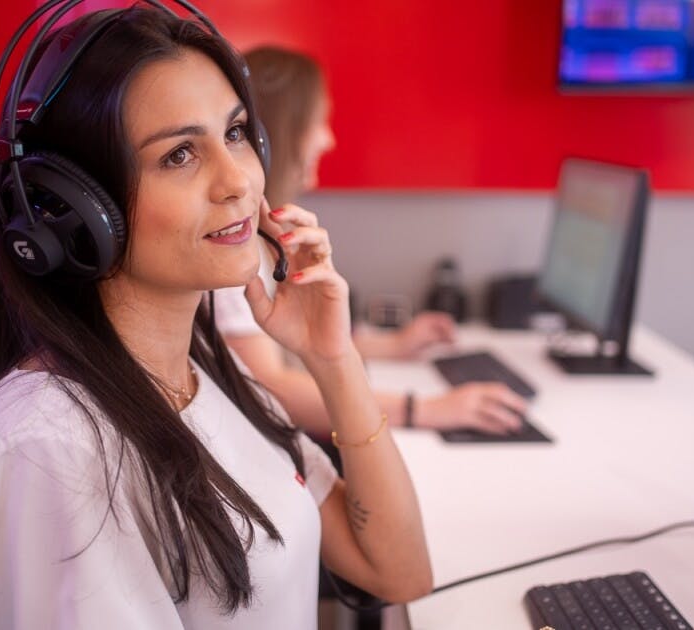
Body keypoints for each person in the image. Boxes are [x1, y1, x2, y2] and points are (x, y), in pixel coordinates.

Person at [0, 7, 431, 628]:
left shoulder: (206, 375)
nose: (238, 182)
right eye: (178, 156)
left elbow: (398, 572)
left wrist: (334, 360)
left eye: (237, 133)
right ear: (74, 209)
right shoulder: (53, 447)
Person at [212, 46, 528, 436]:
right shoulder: (232, 257)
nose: (328, 139)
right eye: (319, 121)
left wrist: (392, 346)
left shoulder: (269, 238)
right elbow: (272, 389)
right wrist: (425, 409)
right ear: (276, 133)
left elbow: (302, 341)